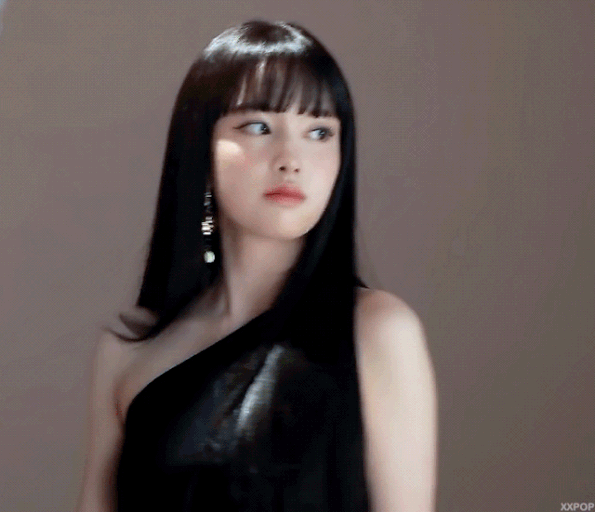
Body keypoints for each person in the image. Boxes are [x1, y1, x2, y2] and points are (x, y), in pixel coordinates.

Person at [76, 20, 437, 512]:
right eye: (259, 127)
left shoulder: (378, 330)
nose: (292, 159)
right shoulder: (128, 350)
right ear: (200, 149)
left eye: (319, 132)